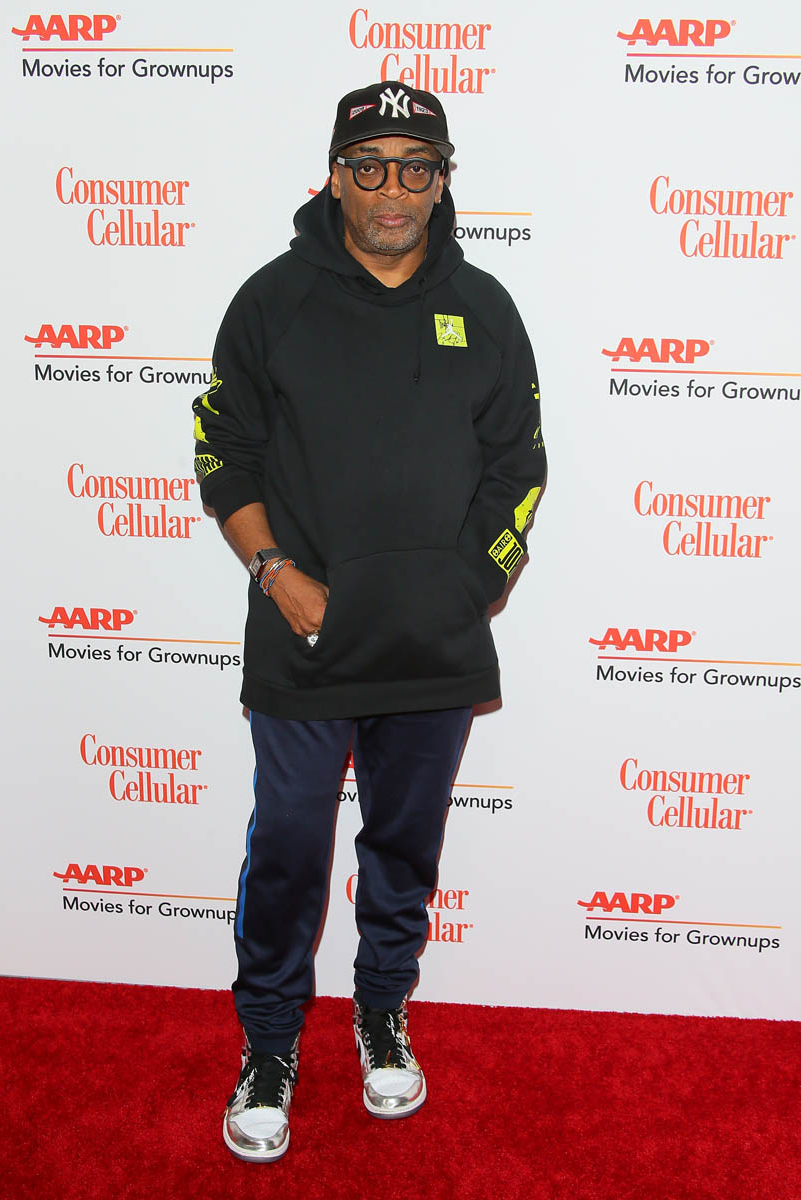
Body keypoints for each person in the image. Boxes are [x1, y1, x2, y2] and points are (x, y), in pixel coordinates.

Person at [192, 80, 546, 1162]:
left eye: (415, 167)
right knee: (289, 848)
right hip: (302, 639)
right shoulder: (271, 301)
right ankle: (268, 1043)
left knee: (403, 848)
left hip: (432, 647)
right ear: (335, 177)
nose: (393, 190)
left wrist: (472, 585)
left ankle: (382, 1011)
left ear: (442, 181)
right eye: (370, 166)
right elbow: (223, 453)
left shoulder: (485, 306)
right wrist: (275, 572)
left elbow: (520, 470)